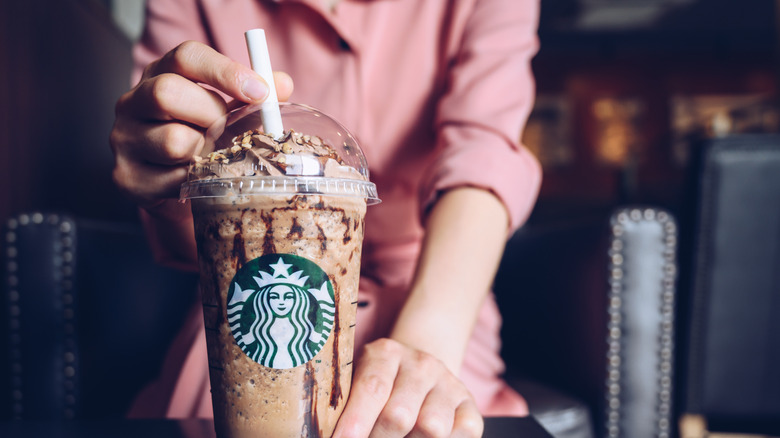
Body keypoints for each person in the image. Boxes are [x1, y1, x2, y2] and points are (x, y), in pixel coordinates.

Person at [110, 0, 542, 436]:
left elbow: (483, 153)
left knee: (428, 416)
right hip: (246, 283)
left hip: (436, 284)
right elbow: (202, 230)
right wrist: (164, 173)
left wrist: (426, 343)